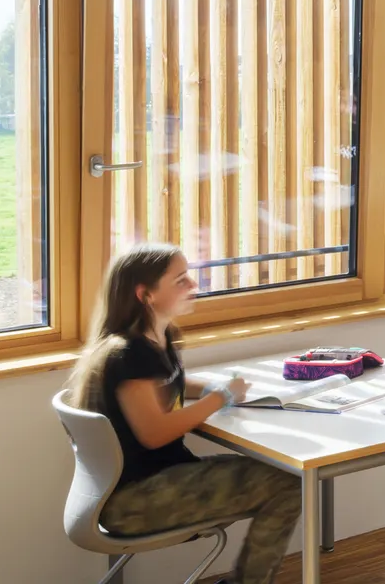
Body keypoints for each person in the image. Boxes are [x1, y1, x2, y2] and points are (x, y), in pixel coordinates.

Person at [64, 245, 301, 584]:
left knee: (278, 475)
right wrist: (220, 398)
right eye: (180, 280)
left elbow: (165, 383)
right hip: (138, 501)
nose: (193, 285)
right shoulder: (130, 355)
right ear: (145, 295)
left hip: (137, 487)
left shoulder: (153, 340)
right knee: (289, 483)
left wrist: (208, 387)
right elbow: (155, 433)